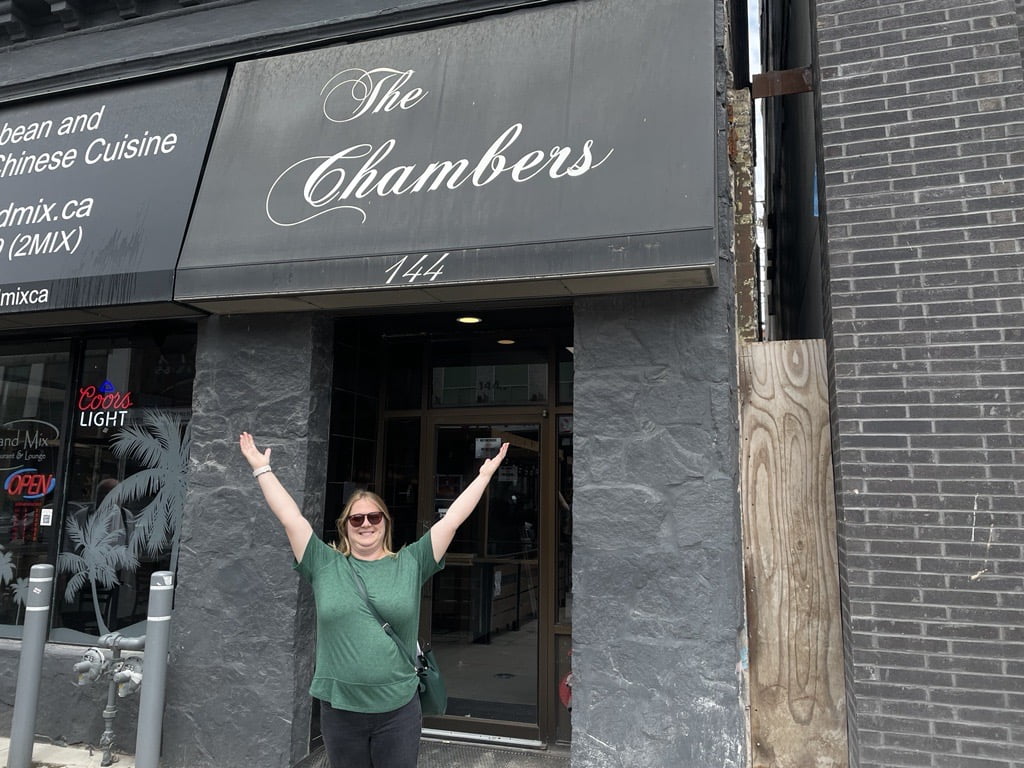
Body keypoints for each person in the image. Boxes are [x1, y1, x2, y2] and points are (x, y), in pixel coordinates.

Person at [238, 431, 508, 768]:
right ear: (346, 526)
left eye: (374, 517)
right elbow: (291, 518)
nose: (366, 524)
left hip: (398, 709)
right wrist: (263, 470)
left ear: (385, 523)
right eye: (357, 518)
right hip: (341, 709)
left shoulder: (410, 562)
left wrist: (484, 475)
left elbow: (451, 519)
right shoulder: (325, 563)